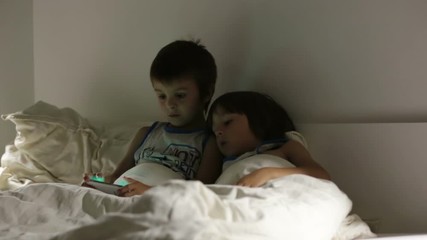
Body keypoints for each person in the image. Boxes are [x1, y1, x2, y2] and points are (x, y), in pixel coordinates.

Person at [85, 40, 223, 196]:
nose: (170, 104)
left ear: (206, 94)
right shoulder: (146, 134)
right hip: (122, 195)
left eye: (180, 95)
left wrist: (150, 192)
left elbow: (199, 194)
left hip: (162, 202)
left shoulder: (208, 142)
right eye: (162, 96)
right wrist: (99, 182)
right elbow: (117, 177)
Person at [207, 91, 330, 187]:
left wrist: (269, 173)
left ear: (259, 119)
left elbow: (321, 175)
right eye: (214, 130)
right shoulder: (224, 163)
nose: (218, 132)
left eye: (227, 122)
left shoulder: (285, 147)